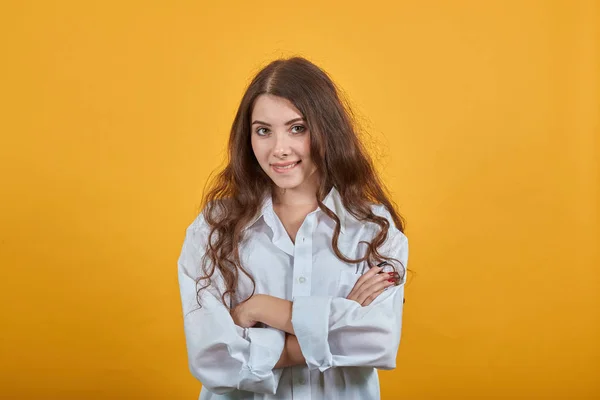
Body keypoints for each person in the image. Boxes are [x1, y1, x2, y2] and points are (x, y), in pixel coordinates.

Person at [177, 56, 409, 400]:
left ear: (327, 129)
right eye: (263, 131)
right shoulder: (213, 228)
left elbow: (377, 340)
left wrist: (261, 308)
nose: (279, 149)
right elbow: (213, 358)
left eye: (297, 128)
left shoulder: (373, 229)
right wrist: (335, 321)